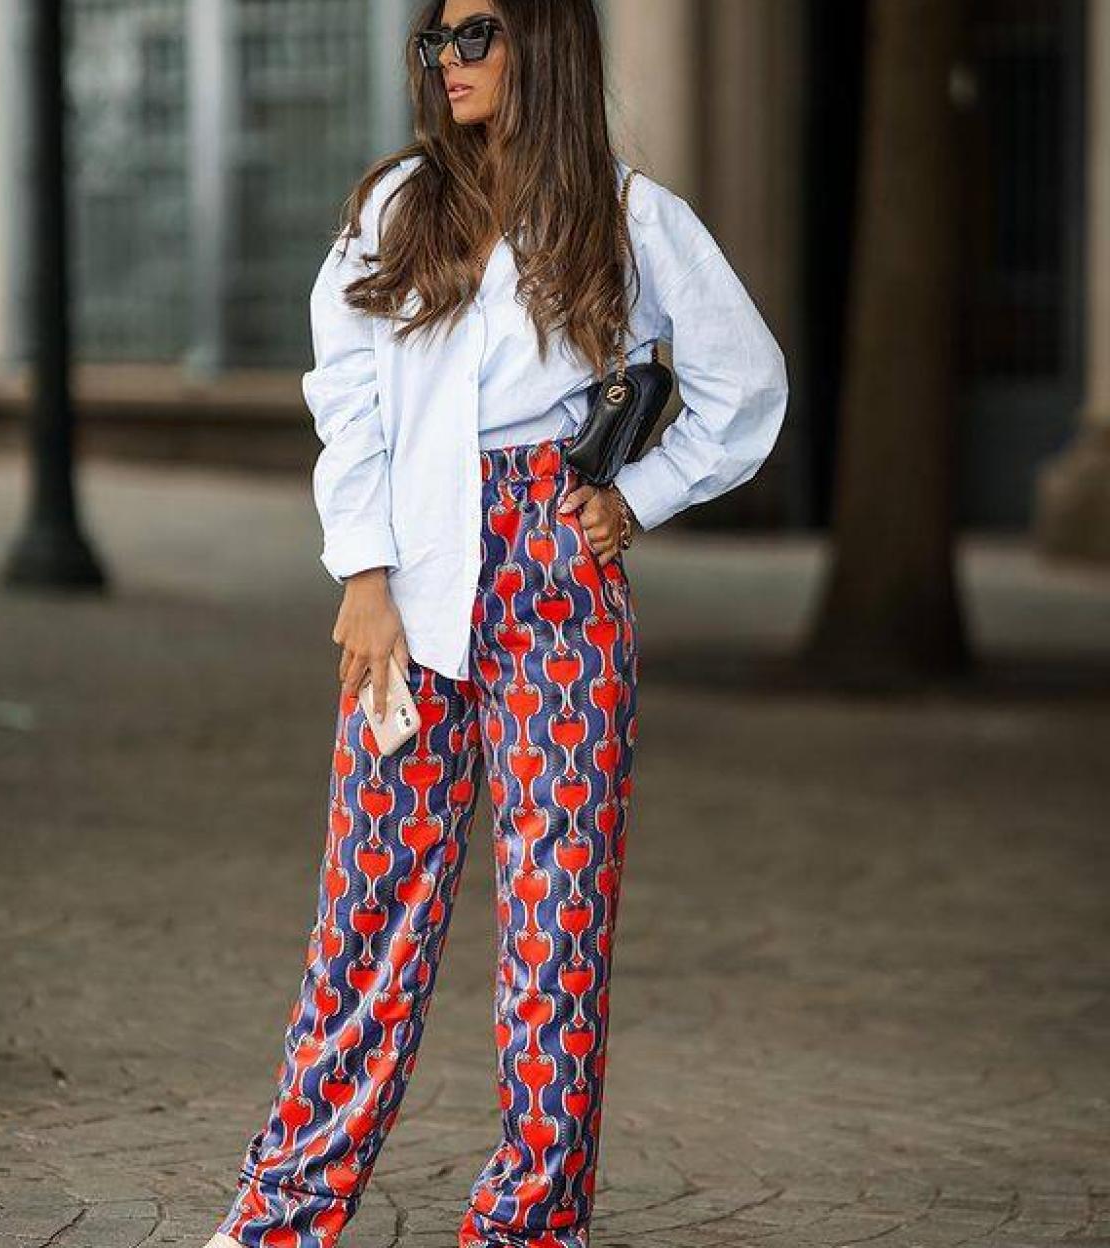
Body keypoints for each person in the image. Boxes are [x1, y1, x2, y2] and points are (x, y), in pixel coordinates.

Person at [206, 2, 788, 1245]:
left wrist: (636, 494)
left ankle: (529, 1227)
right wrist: (361, 572)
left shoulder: (630, 219)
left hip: (557, 579)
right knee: (366, 918)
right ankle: (285, 1217)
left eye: (475, 34)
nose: (447, 62)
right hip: (408, 583)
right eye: (436, 41)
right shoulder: (400, 206)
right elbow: (346, 394)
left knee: (556, 928)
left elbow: (749, 385)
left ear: (545, 41)